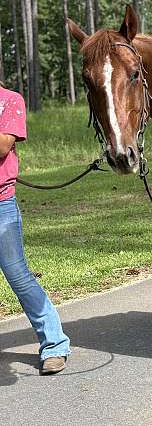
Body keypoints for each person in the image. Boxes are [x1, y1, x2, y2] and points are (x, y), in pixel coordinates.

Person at [0, 81, 70, 374]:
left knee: (19, 276)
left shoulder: (10, 100)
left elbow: (3, 145)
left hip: (1, 205)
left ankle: (54, 345)